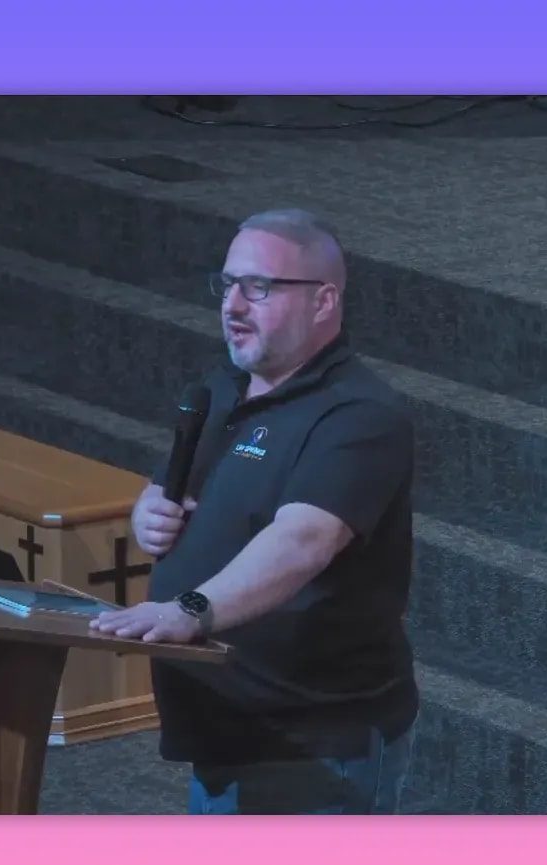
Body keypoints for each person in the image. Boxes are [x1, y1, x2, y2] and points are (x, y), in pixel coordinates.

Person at [91, 208, 419, 814]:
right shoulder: (224, 388)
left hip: (311, 741)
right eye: (228, 284)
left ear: (323, 302)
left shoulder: (358, 417)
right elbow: (175, 485)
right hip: (224, 723)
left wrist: (192, 608)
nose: (233, 305)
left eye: (259, 288)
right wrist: (149, 509)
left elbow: (304, 540)